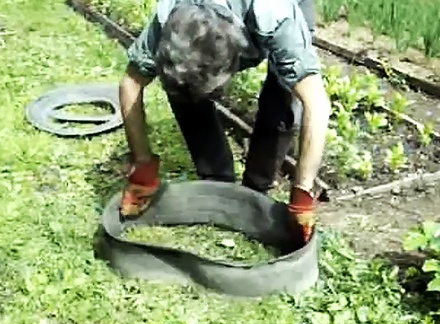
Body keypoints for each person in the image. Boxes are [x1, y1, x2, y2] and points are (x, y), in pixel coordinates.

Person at [117, 0, 331, 243]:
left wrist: (302, 192)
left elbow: (316, 104)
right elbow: (130, 83)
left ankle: (256, 187)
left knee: (281, 99)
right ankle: (218, 182)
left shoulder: (275, 15)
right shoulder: (168, 15)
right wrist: (142, 165)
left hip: (278, 10)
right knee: (183, 86)